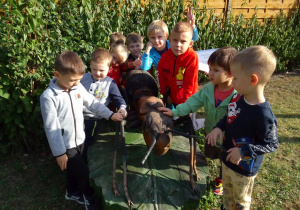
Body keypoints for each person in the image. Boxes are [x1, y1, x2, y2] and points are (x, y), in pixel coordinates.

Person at [40, 51, 124, 210]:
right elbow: (51, 127)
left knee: (73, 169)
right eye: (73, 80)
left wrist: (110, 114)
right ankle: (88, 197)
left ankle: (71, 192)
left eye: (79, 79)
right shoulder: (49, 97)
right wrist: (59, 153)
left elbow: (93, 103)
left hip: (80, 138)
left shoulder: (76, 87)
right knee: (84, 171)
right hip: (66, 144)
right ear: (57, 75)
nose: (77, 83)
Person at [205, 45, 279, 210]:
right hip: (227, 161)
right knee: (228, 196)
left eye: (236, 78)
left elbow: (271, 144)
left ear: (253, 80)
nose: (233, 81)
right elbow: (228, 117)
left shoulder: (264, 115)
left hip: (243, 170)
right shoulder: (237, 98)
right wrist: (218, 127)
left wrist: (244, 151)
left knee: (239, 202)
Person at [158, 47, 238, 195]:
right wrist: (174, 111)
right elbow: (192, 103)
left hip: (228, 138)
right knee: (210, 153)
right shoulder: (208, 89)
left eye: (215, 70)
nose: (209, 73)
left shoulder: (237, 95)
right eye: (209, 69)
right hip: (209, 132)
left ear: (230, 74)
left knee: (225, 162)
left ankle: (221, 180)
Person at [81, 48, 127, 148]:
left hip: (93, 118)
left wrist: (122, 108)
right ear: (90, 66)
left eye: (101, 70)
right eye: (94, 69)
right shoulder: (83, 78)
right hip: (77, 116)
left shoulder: (110, 83)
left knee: (88, 141)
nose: (97, 73)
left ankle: (84, 159)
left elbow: (118, 99)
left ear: (109, 69)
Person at [157, 21, 199, 107]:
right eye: (175, 40)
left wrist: (186, 103)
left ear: (190, 43)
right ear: (170, 40)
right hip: (171, 97)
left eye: (183, 41)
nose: (178, 45)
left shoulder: (192, 57)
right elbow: (160, 76)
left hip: (188, 99)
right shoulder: (165, 57)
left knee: (185, 119)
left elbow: (190, 83)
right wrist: (165, 93)